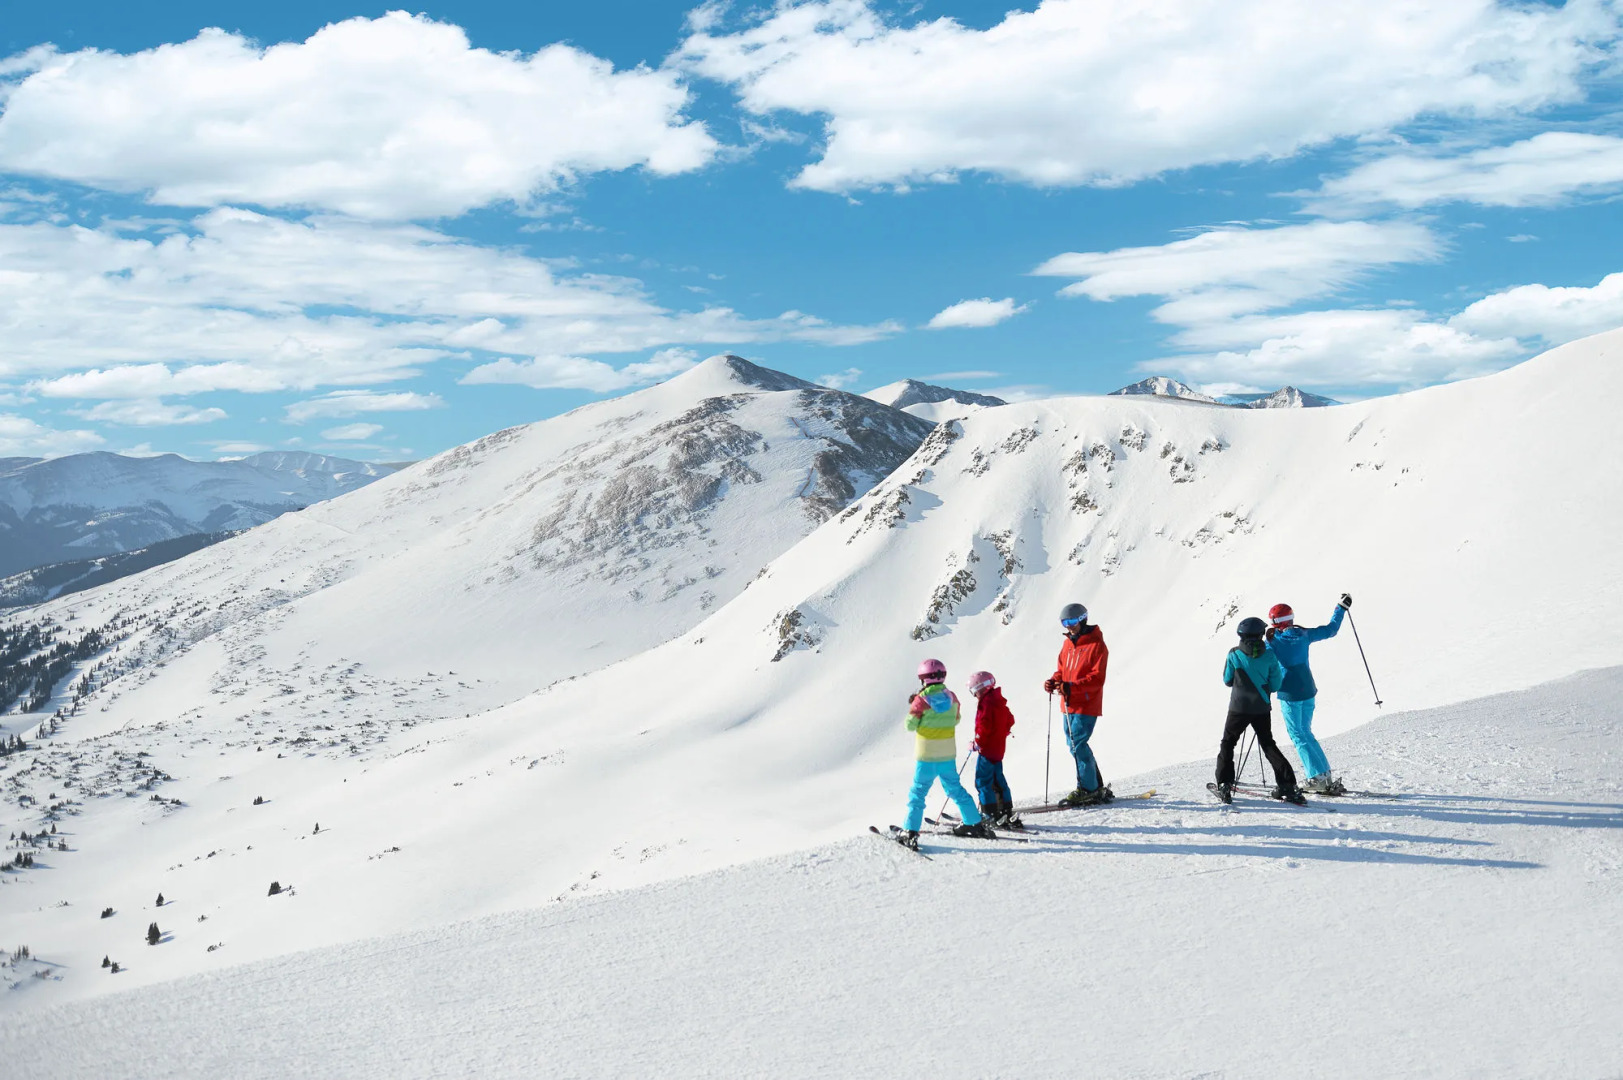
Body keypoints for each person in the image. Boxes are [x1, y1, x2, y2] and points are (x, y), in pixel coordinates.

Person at [899, 659, 993, 848]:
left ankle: (910, 831)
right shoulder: (952, 697)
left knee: (918, 793)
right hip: (947, 754)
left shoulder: (921, 700)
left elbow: (909, 725)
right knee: (954, 788)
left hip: (926, 756)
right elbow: (956, 719)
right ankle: (973, 823)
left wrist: (917, 709)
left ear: (923, 679)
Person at [1266, 594, 1352, 795]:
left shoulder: (1273, 642)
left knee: (1298, 734)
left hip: (1289, 692)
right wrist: (1341, 608)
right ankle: (1324, 775)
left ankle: (1316, 779)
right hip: (1308, 689)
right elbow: (1331, 630)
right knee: (1306, 732)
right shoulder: (1304, 635)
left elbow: (1258, 654)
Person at [1214, 617, 1303, 804]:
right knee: (1268, 744)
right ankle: (1288, 785)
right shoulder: (1269, 656)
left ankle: (1224, 784)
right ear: (1260, 634)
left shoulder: (1234, 654)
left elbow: (1227, 680)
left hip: (1238, 708)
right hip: (1261, 707)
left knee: (1228, 744)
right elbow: (1276, 684)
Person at [1043, 602, 1113, 807]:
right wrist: (1055, 681)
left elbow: (1097, 678)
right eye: (1065, 622)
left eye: (1072, 621)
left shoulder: (1097, 645)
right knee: (1073, 745)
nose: (1069, 626)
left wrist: (1072, 687)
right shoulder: (1068, 644)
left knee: (1078, 745)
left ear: (1083, 619)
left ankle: (1088, 789)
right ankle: (1094, 786)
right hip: (1068, 703)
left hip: (1086, 704)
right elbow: (1062, 670)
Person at [967, 670, 1020, 828]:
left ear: (981, 688)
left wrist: (977, 742)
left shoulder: (986, 703)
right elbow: (1009, 719)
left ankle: (989, 813)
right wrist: (1002, 732)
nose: (974, 695)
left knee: (983, 781)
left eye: (974, 691)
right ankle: (1005, 810)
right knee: (998, 779)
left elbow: (984, 726)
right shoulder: (998, 700)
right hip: (998, 749)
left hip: (987, 749)